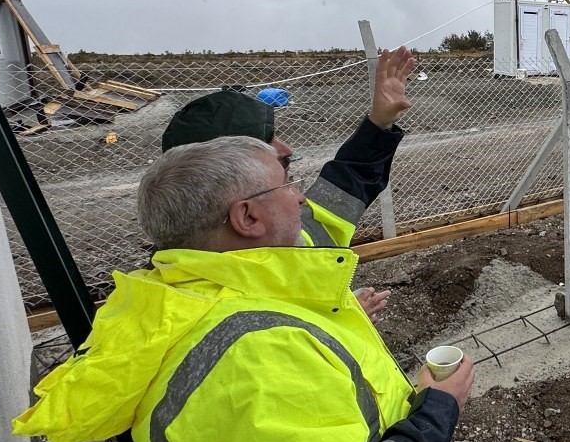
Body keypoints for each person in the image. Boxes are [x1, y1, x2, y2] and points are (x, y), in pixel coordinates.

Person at [15, 135, 473, 442]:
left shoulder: (185, 300)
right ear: (247, 218)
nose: (301, 197)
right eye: (287, 184)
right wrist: (437, 410)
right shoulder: (254, 361)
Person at [160, 46, 419, 318]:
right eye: (265, 145)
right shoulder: (203, 317)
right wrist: (341, 320)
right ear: (247, 217)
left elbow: (348, 179)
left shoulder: (289, 224)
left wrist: (379, 122)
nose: (286, 150)